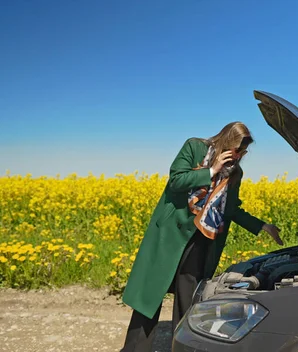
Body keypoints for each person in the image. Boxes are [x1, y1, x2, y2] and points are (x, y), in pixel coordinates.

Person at [120, 121, 283, 352]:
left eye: (243, 152)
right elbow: (176, 181)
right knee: (149, 298)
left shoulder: (236, 172)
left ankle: (182, 348)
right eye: (237, 149)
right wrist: (211, 171)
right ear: (227, 141)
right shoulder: (194, 148)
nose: (239, 155)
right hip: (170, 237)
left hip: (200, 240)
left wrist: (262, 225)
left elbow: (231, 208)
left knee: (188, 300)